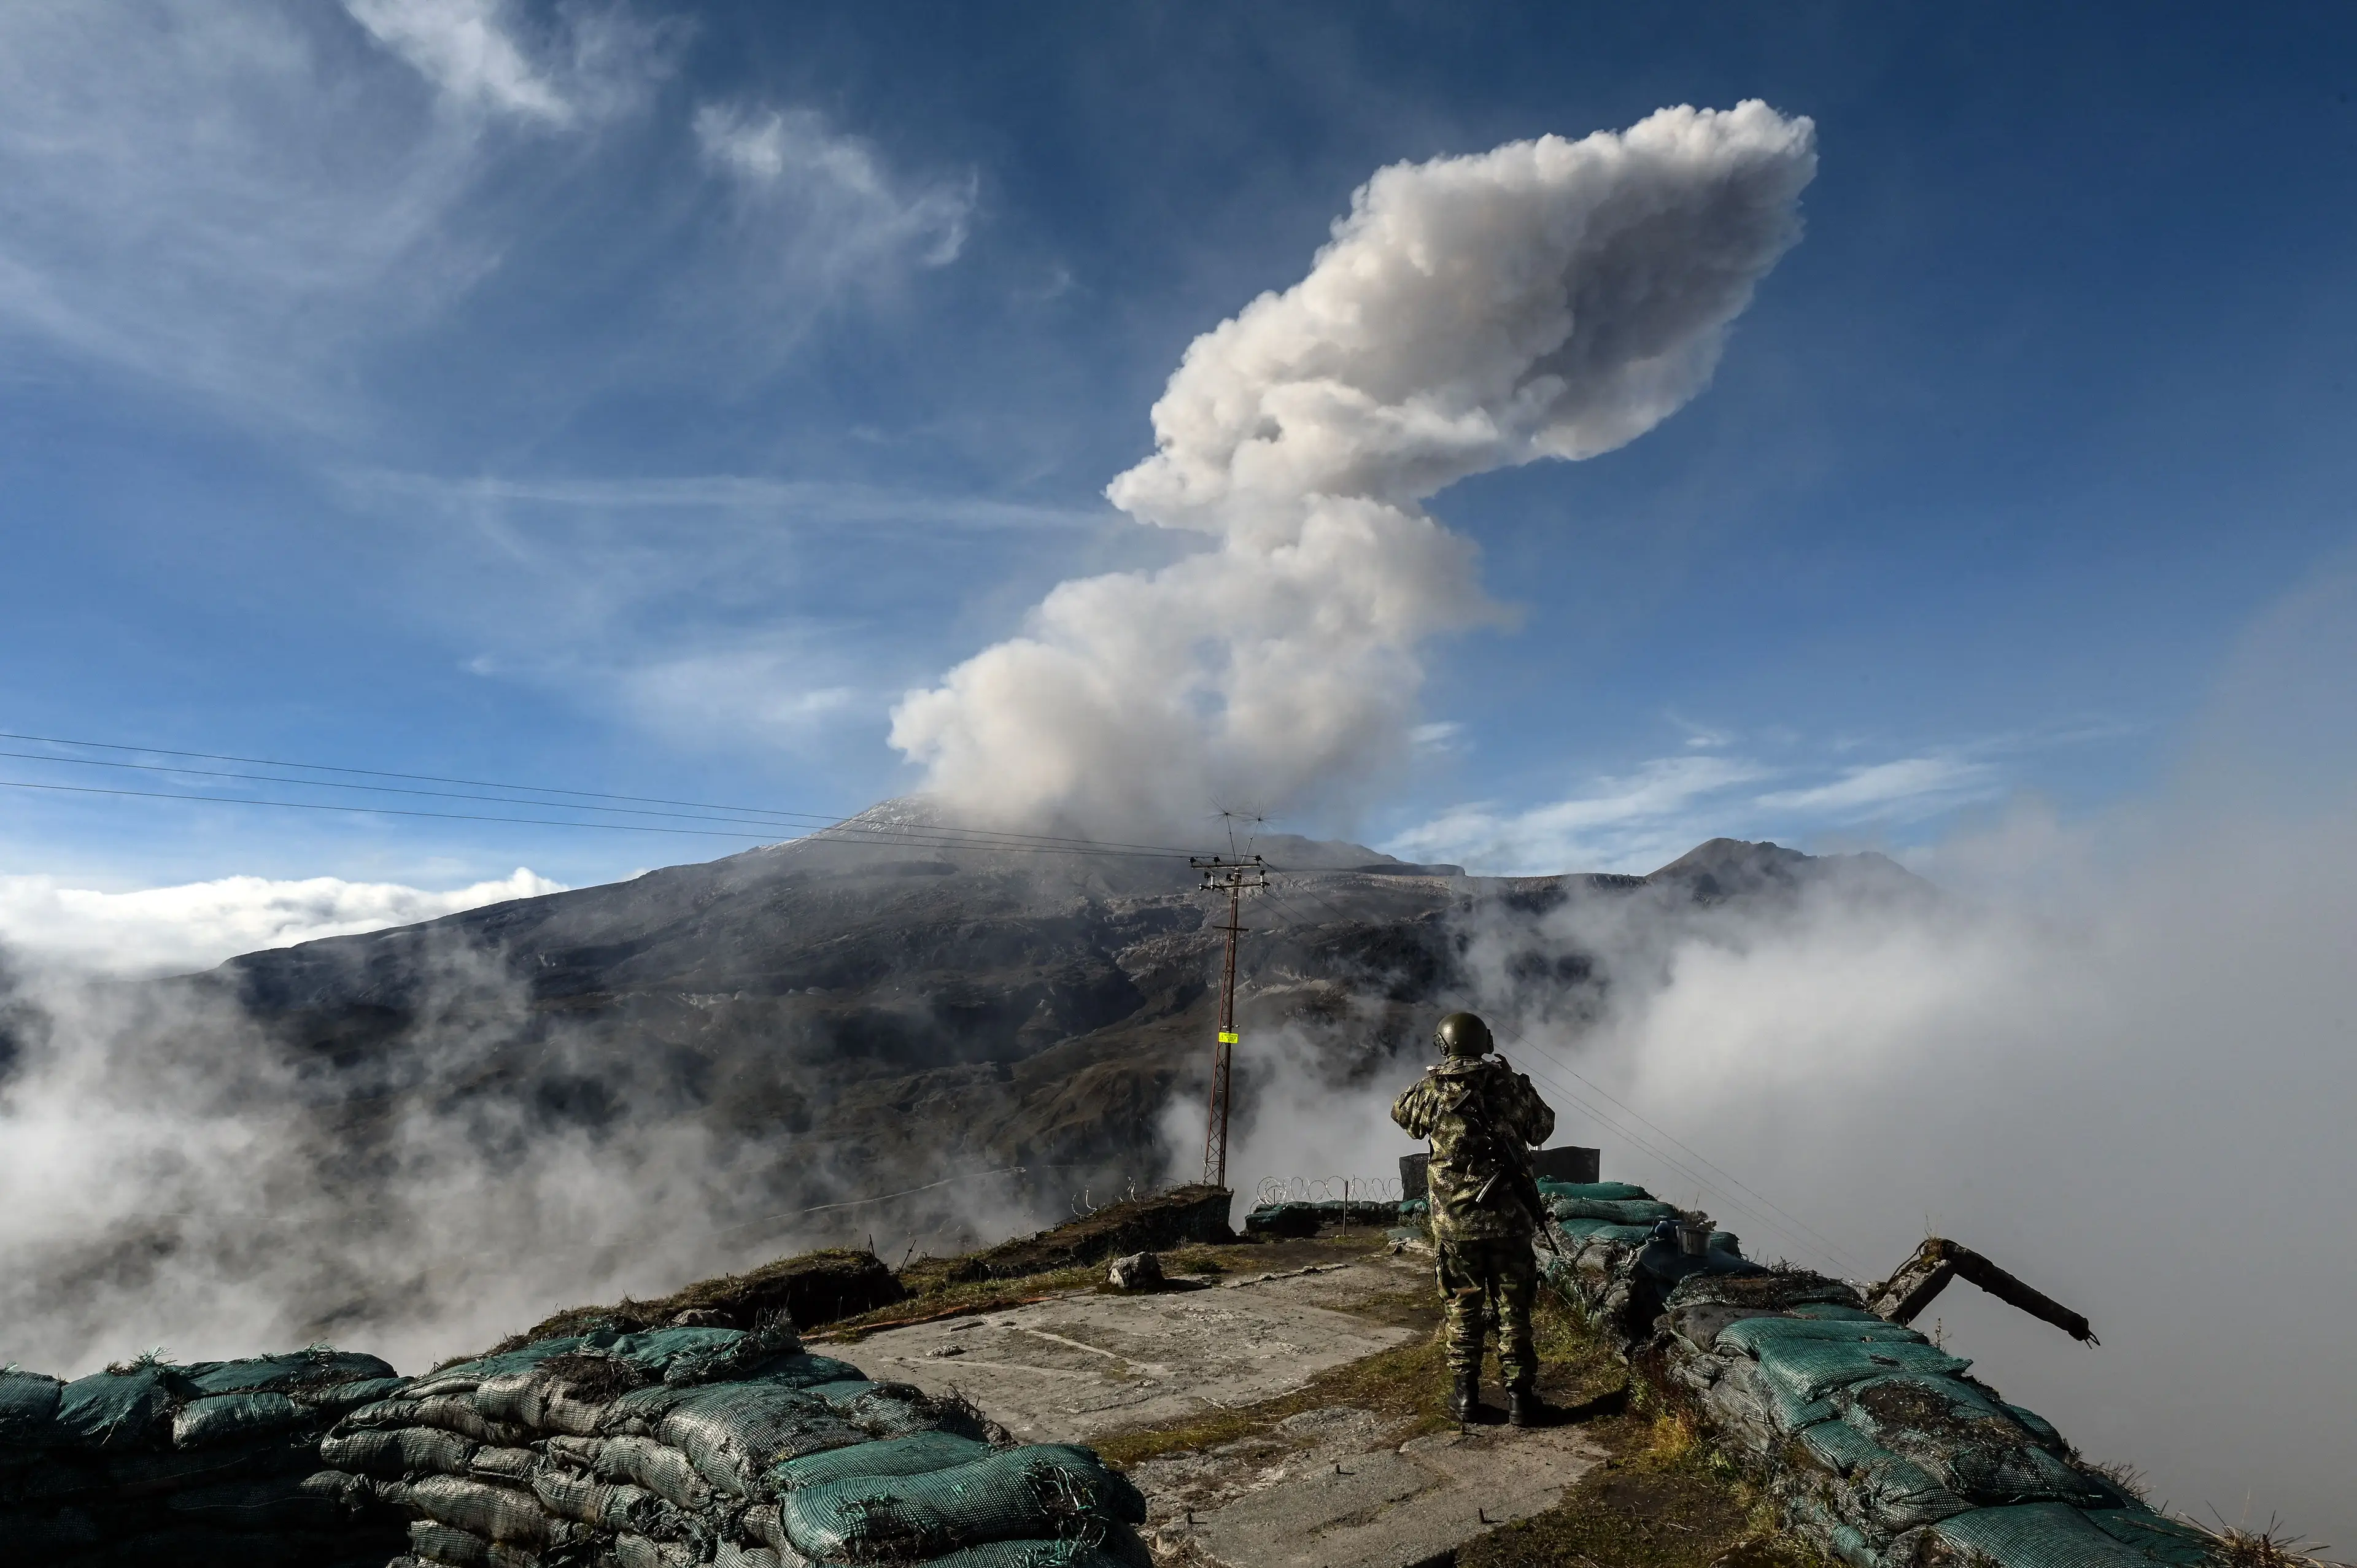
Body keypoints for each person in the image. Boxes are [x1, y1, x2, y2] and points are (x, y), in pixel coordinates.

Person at [1390, 1010, 1557, 1424]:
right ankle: (1520, 1399)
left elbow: (1403, 1115)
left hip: (1456, 1227)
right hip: (1510, 1223)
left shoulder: (1432, 1091)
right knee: (1513, 1310)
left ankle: (1466, 1398)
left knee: (1462, 1310)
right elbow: (1542, 1128)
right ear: (1486, 1041)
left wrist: (1437, 1080)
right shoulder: (1509, 1087)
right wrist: (1517, 1084)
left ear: (1444, 1045)